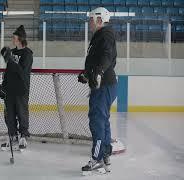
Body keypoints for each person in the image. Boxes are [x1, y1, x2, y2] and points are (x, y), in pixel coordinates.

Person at [78, 7, 117, 174]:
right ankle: (105, 155)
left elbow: (107, 56)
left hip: (103, 85)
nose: (89, 22)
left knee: (97, 121)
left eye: (91, 19)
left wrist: (99, 73)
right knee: (103, 120)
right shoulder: (100, 36)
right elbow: (97, 59)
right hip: (104, 85)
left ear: (100, 20)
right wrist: (88, 74)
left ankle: (97, 158)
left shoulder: (105, 34)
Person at [0, 25, 33, 152]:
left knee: (22, 113)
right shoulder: (12, 52)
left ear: (20, 39)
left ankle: (23, 136)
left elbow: (22, 73)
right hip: (10, 89)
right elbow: (8, 72)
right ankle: (12, 135)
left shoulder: (27, 54)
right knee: (9, 114)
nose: (12, 39)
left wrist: (12, 61)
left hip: (21, 90)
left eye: (14, 37)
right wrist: (3, 85)